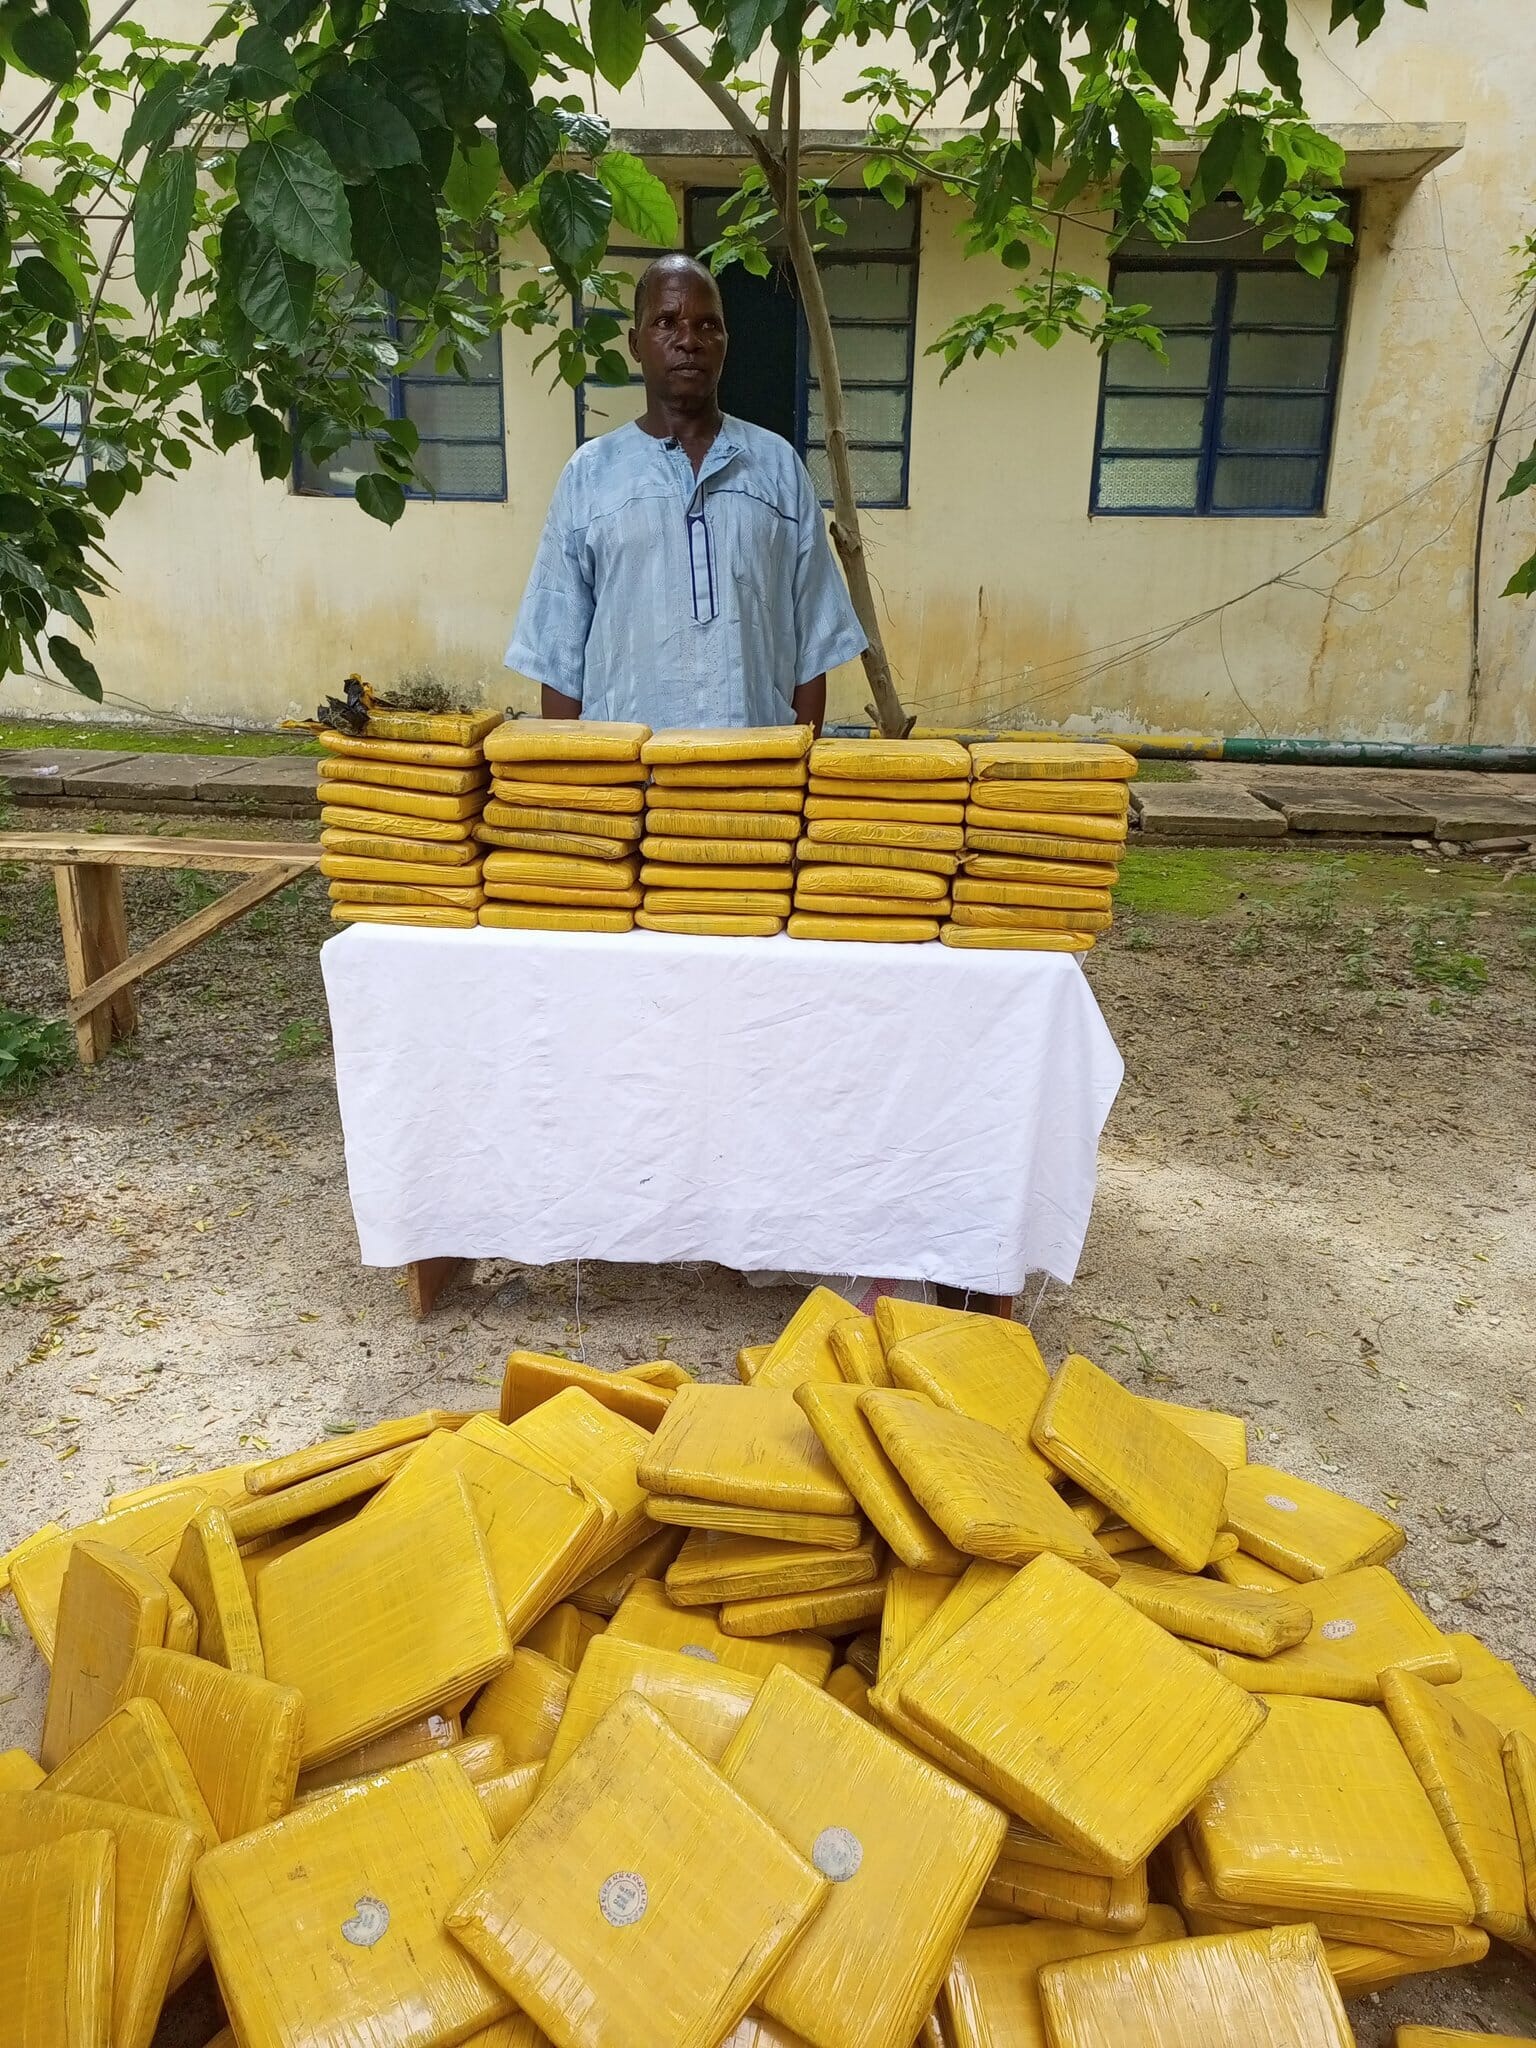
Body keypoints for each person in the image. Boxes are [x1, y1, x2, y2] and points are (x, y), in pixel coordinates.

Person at [505, 253, 866, 732]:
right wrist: (584, 794)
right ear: (635, 343)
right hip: (632, 787)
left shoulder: (778, 467)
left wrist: (790, 781)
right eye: (666, 322)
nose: (689, 340)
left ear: (725, 342)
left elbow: (812, 647)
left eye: (707, 325)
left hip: (753, 784)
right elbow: (558, 656)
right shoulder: (590, 475)